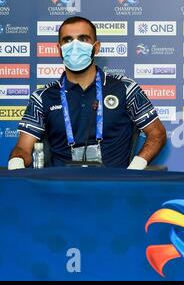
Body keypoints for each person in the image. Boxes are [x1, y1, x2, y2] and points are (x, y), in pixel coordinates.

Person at [8, 16, 166, 170]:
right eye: (68, 40)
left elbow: (157, 133)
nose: (74, 46)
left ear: (96, 47)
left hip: (114, 188)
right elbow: (23, 147)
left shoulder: (125, 88)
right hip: (60, 190)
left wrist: (135, 168)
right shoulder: (42, 97)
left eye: (83, 39)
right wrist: (16, 161)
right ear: (59, 49)